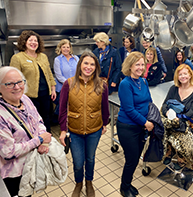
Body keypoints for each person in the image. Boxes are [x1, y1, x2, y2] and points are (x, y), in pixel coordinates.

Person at [58, 52, 109, 197]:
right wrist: (63, 130)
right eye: (85, 63)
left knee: (90, 159)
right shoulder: (69, 83)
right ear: (80, 65)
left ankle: (89, 182)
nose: (88, 67)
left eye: (92, 64)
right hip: (74, 130)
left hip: (94, 130)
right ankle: (78, 183)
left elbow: (104, 107)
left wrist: (105, 123)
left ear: (96, 67)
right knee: (78, 162)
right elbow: (62, 109)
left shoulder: (101, 84)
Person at [0, 66, 52, 197]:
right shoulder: (0, 115)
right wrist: (39, 140)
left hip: (30, 163)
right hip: (14, 172)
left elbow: (38, 120)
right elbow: (8, 152)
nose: (16, 87)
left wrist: (43, 140)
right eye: (9, 84)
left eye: (19, 82)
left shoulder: (25, 99)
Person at [116, 52, 154, 197]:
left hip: (141, 127)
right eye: (137, 64)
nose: (140, 67)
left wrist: (151, 118)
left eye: (142, 64)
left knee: (136, 156)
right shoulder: (125, 84)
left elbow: (149, 101)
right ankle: (124, 187)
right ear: (130, 66)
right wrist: (146, 122)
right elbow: (129, 109)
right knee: (131, 159)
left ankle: (128, 184)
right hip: (127, 127)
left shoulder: (144, 81)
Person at [10, 30, 56, 133]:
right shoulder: (17, 58)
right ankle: (35, 140)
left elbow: (49, 74)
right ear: (24, 42)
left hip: (45, 94)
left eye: (36, 41)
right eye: (30, 40)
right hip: (28, 96)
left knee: (46, 117)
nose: (33, 43)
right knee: (32, 119)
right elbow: (13, 79)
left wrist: (53, 89)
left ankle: (47, 138)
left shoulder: (43, 56)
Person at [161, 64, 193, 170]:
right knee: (162, 128)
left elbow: (192, 111)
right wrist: (166, 113)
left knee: (179, 131)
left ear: (190, 75)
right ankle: (169, 151)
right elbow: (164, 104)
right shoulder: (173, 89)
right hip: (171, 118)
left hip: (188, 120)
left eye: (185, 74)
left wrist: (179, 118)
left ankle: (181, 157)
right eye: (180, 74)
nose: (183, 76)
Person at [53, 39, 79, 117]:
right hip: (63, 88)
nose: (66, 49)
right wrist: (70, 83)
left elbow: (79, 72)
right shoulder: (57, 60)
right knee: (63, 109)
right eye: (63, 47)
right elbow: (59, 76)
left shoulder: (76, 58)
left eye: (68, 47)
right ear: (60, 48)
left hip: (76, 87)